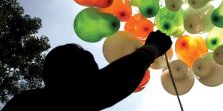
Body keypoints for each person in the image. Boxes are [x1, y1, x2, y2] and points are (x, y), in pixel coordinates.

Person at [2, 30, 172, 111]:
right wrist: (152, 48)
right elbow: (105, 86)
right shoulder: (31, 104)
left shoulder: (23, 102)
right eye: (89, 69)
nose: (96, 73)